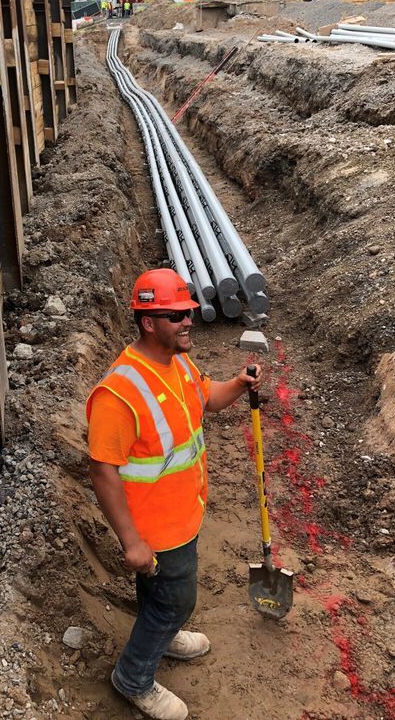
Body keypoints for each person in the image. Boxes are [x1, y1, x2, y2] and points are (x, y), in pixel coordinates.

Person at [86, 269, 262, 720]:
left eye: (187, 311)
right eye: (175, 314)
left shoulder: (179, 363)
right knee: (176, 598)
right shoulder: (119, 392)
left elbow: (208, 400)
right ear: (148, 322)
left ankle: (165, 631)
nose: (188, 321)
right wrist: (132, 542)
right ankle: (134, 676)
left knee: (161, 596)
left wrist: (238, 385)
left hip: (184, 512)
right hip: (155, 530)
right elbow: (102, 471)